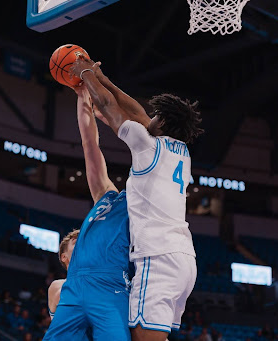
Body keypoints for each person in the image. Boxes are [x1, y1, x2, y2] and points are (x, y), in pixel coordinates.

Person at [71, 57, 203, 341]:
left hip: (157, 257)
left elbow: (110, 106)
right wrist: (101, 77)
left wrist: (85, 75)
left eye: (156, 116)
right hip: (184, 259)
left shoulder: (147, 145)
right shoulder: (180, 151)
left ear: (163, 121)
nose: (148, 117)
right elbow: (138, 113)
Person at [43, 85, 131, 340]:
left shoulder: (137, 205)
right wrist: (82, 96)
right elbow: (89, 142)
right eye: (78, 239)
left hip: (111, 282)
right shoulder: (106, 196)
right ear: (63, 257)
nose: (82, 238)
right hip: (80, 285)